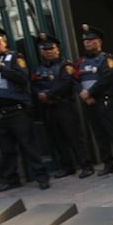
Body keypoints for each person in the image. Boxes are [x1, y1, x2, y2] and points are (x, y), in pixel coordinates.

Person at [0, 26, 49, 192]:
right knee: (6, 150)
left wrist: (0, 68)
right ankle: (11, 179)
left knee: (28, 145)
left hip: (17, 111)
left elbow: (23, 78)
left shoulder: (15, 57)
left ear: (4, 41)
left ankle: (41, 176)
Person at [32, 32, 94, 179]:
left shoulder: (65, 65)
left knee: (74, 136)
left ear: (57, 49)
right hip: (49, 107)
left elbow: (65, 83)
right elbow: (34, 84)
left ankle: (86, 165)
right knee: (58, 138)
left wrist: (48, 94)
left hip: (64, 105)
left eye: (51, 49)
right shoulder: (39, 68)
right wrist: (39, 94)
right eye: (45, 50)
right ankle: (67, 166)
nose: (49, 52)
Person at [76, 24, 113, 177]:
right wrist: (82, 92)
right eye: (85, 41)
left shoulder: (107, 59)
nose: (87, 43)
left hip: (105, 100)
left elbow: (107, 77)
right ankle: (108, 163)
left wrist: (90, 92)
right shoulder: (81, 62)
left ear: (99, 41)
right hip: (89, 103)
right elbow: (74, 79)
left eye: (91, 40)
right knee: (99, 134)